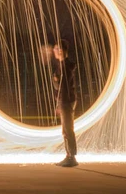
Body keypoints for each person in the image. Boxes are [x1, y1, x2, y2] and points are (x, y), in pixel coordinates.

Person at [51, 39, 78, 167]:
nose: (54, 51)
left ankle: (71, 157)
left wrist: (61, 104)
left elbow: (64, 88)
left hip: (66, 101)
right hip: (66, 100)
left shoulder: (65, 67)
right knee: (66, 129)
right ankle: (70, 155)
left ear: (61, 51)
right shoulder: (63, 65)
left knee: (67, 130)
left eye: (56, 49)